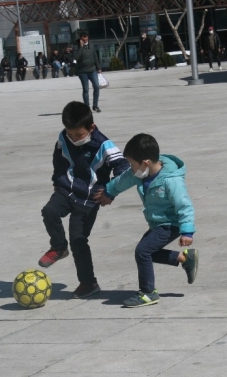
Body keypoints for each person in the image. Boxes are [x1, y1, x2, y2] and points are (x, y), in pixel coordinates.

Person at [39, 101, 130, 298]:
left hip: (90, 198)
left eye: (79, 135)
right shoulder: (63, 138)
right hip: (66, 189)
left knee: (78, 240)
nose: (74, 139)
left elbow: (123, 168)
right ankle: (58, 247)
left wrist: (110, 191)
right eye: (70, 134)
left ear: (91, 127)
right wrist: (57, 181)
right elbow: (59, 160)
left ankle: (88, 283)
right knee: (49, 211)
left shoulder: (104, 145)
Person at [95, 133, 197, 308]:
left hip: (170, 224)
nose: (131, 168)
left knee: (142, 251)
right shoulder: (141, 173)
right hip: (157, 223)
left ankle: (148, 292)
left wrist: (187, 230)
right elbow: (124, 179)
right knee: (148, 252)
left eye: (132, 165)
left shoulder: (171, 181)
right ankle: (184, 259)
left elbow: (184, 205)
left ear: (145, 163)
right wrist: (110, 191)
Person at [73, 32, 103, 112]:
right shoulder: (76, 46)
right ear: (80, 39)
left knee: (96, 86)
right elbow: (76, 57)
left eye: (86, 38)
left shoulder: (91, 45)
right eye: (83, 38)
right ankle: (87, 107)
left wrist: (98, 67)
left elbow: (95, 57)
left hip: (92, 70)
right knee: (86, 89)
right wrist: (81, 47)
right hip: (83, 72)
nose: (85, 39)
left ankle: (95, 105)